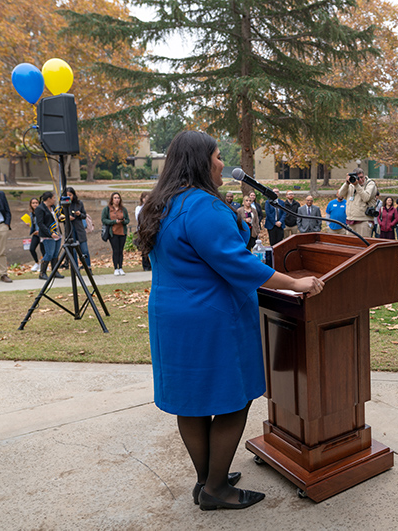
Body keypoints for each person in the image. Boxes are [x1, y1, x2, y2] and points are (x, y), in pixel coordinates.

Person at [136, 131, 324, 512]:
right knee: (232, 400)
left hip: (172, 317)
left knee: (191, 402)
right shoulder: (202, 206)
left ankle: (207, 478)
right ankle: (217, 489)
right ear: (201, 162)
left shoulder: (162, 203)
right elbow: (237, 264)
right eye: (218, 156)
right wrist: (294, 282)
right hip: (211, 319)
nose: (223, 163)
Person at [338, 167, 378, 238]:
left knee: (362, 246)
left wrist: (357, 185)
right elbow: (340, 194)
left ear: (364, 175)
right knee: (351, 246)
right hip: (351, 220)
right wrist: (347, 183)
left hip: (364, 221)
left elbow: (366, 198)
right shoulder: (351, 184)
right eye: (358, 178)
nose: (360, 179)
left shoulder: (370, 184)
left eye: (362, 177)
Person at [35, 191, 64, 281]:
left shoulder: (53, 207)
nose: (55, 200)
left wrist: (60, 218)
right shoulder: (40, 208)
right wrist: (50, 233)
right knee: (49, 253)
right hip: (48, 235)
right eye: (54, 198)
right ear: (48, 199)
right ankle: (42, 273)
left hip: (57, 233)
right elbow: (40, 223)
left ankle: (55, 271)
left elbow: (56, 217)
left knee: (55, 254)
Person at [102, 192, 129, 276]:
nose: (117, 200)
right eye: (115, 198)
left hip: (122, 232)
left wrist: (123, 221)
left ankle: (121, 267)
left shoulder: (123, 209)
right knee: (115, 250)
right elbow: (104, 220)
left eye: (118, 198)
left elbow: (128, 220)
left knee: (121, 250)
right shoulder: (107, 209)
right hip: (113, 232)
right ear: (112, 199)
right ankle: (115, 268)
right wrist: (114, 221)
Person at [66, 187, 91, 270]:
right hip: (70, 230)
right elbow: (60, 218)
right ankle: (75, 268)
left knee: (85, 250)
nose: (69, 197)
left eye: (70, 195)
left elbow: (84, 215)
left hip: (80, 229)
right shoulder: (64, 205)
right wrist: (67, 217)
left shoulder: (79, 203)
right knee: (73, 251)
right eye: (67, 195)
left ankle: (88, 267)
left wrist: (79, 214)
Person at [135, 192, 150, 271]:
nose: (146, 199)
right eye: (145, 198)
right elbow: (139, 218)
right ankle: (145, 264)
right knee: (144, 248)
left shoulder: (152, 207)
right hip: (142, 230)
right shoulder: (139, 208)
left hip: (150, 229)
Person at [26, 198, 41, 273]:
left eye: (36, 203)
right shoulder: (32, 213)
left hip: (42, 233)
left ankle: (44, 265)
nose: (35, 204)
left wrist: (40, 231)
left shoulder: (41, 211)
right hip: (35, 234)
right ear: (31, 205)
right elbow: (34, 223)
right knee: (32, 249)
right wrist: (29, 224)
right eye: (33, 203)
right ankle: (37, 263)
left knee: (43, 250)